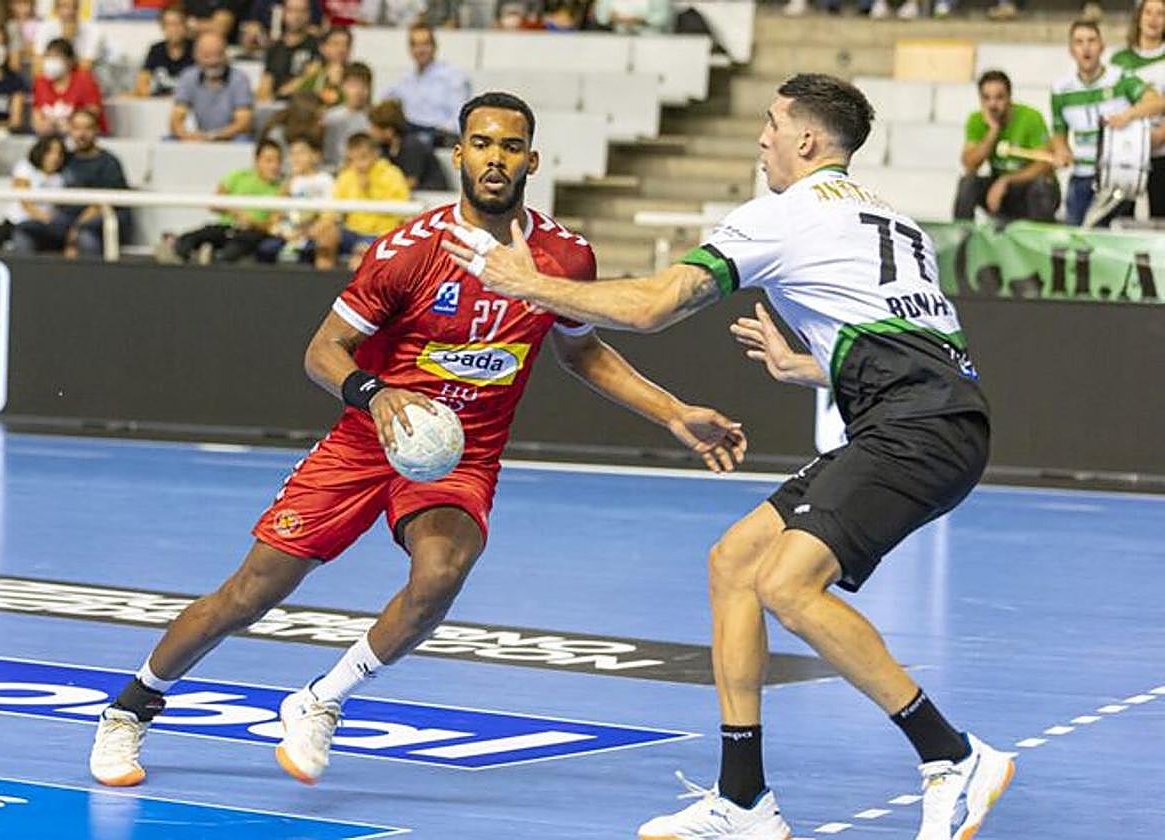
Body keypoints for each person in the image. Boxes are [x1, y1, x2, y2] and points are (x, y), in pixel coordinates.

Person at [86, 90, 748, 790]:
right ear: (460, 154)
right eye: (483, 144)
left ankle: (321, 700)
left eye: (511, 146)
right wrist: (376, 394)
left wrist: (672, 410)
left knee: (437, 579)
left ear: (533, 159)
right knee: (250, 592)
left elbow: (580, 353)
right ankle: (129, 708)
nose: (496, 159)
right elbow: (323, 351)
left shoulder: (563, 257)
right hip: (369, 438)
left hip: (462, 454)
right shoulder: (408, 252)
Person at [444, 74, 1015, 840]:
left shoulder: (784, 216)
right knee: (735, 561)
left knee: (786, 583)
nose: (762, 139)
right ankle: (743, 799)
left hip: (913, 426)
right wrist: (811, 369)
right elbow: (919, 345)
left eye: (773, 124)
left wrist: (529, 282)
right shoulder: (891, 219)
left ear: (807, 141)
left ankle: (950, 755)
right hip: (931, 414)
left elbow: (653, 305)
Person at [1051, 20, 1164, 226]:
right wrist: (1061, 150)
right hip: (1081, 177)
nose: (1086, 48)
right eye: (1079, 42)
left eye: (1091, 41)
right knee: (1075, 242)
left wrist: (1128, 115)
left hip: (1117, 178)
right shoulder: (1061, 89)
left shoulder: (1121, 78)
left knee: (1111, 243)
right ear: (1071, 50)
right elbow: (1059, 131)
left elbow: (1157, 102)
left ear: (1101, 47)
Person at [13, 109, 130, 258]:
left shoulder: (109, 162)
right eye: (76, 128)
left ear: (96, 130)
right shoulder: (65, 159)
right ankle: (26, 278)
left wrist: (76, 229)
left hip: (98, 220)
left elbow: (102, 203)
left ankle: (91, 280)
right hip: (64, 220)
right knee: (24, 230)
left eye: (87, 128)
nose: (81, 134)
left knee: (85, 236)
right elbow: (33, 168)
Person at [953, 69, 1058, 222]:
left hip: (1030, 189)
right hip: (1001, 192)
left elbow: (1045, 164)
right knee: (967, 183)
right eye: (986, 98)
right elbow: (969, 164)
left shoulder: (1030, 117)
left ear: (1010, 98)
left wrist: (1007, 180)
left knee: (1041, 185)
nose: (992, 104)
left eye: (999, 97)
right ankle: (962, 238)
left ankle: (1040, 241)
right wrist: (992, 131)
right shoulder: (977, 120)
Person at [165, 137, 284, 263]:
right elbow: (214, 204)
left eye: (278, 161)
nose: (274, 166)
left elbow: (273, 225)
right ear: (257, 160)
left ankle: (209, 257)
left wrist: (252, 222)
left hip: (251, 234)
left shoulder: (282, 188)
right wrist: (233, 210)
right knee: (191, 238)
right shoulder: (238, 176)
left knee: (231, 253)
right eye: (269, 161)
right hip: (225, 227)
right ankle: (178, 250)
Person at [312, 131, 409, 269]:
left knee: (359, 258)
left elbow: (402, 211)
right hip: (352, 231)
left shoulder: (392, 174)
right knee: (325, 241)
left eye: (363, 157)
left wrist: (369, 191)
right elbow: (333, 209)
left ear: (375, 154)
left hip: (381, 233)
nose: (359, 163)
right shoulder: (346, 176)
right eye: (354, 158)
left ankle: (355, 289)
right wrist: (324, 223)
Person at [1111, 0, 1165, 216]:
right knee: (1121, 215)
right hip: (1126, 153)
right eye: (1148, 13)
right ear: (1138, 17)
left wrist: (1160, 135)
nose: (1153, 19)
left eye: (1160, 14)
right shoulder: (1119, 59)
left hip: (1161, 150)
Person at [0, 133, 65, 251]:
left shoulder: (61, 177)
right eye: (50, 152)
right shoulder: (26, 167)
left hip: (43, 227)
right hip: (15, 222)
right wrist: (43, 217)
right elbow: (24, 198)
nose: (55, 157)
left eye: (59, 153)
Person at [383, 24, 470, 147]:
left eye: (425, 44)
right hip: (409, 132)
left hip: (439, 135)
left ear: (434, 46)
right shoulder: (405, 80)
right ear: (410, 49)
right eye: (415, 45)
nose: (420, 50)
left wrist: (439, 131)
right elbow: (385, 103)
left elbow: (459, 118)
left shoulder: (452, 77)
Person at [258, 133, 333, 262]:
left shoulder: (325, 180)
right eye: (292, 154)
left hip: (311, 233)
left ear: (315, 155)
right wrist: (283, 232)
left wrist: (306, 233)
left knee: (309, 252)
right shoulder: (287, 181)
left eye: (301, 153)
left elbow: (329, 216)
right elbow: (276, 214)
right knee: (265, 249)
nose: (296, 158)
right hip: (287, 233)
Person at [171, 31, 254, 142]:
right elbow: (176, 118)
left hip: (231, 136)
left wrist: (214, 136)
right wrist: (186, 135)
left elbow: (244, 122)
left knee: (243, 140)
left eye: (218, 55)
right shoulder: (188, 77)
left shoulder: (239, 79)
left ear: (225, 54)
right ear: (196, 55)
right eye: (207, 56)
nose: (213, 61)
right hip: (201, 135)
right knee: (168, 140)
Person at [369, 98, 448, 191]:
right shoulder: (384, 147)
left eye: (374, 128)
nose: (370, 131)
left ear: (389, 130)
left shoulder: (412, 145)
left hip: (433, 196)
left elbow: (411, 182)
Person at [31, 37, 105, 136]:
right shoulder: (41, 82)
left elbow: (93, 112)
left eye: (56, 57)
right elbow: (37, 117)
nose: (51, 61)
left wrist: (71, 126)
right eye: (48, 56)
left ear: (70, 61)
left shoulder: (84, 80)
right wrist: (45, 126)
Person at [255, 0, 318, 102]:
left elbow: (309, 76)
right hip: (275, 106)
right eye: (291, 11)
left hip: (304, 105)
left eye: (302, 11)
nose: (296, 16)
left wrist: (278, 96)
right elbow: (266, 81)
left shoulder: (317, 46)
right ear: (283, 13)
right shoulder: (274, 48)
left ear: (309, 14)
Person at [136, 5, 194, 98]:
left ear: (186, 25)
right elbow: (141, 86)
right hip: (160, 104)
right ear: (162, 27)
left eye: (177, 24)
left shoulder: (196, 49)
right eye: (168, 24)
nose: (173, 29)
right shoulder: (156, 50)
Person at [32, 0, 103, 74]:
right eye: (64, 6)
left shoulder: (93, 30)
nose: (69, 12)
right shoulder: (45, 28)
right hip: (55, 79)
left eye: (74, 7)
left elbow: (86, 67)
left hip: (85, 79)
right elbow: (37, 66)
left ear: (78, 8)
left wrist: (68, 40)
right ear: (56, 9)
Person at [321, 61, 371, 168]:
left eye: (364, 86)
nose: (359, 91)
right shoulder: (331, 118)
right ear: (342, 86)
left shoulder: (374, 118)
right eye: (353, 85)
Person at [289, 25, 350, 107]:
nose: (342, 49)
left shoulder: (355, 73)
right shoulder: (315, 73)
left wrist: (336, 85)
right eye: (336, 44)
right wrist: (306, 76)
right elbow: (292, 97)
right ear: (322, 48)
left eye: (347, 44)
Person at [593, 0, 672, 33]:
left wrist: (639, 20)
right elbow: (600, 16)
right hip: (615, 40)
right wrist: (613, 17)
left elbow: (663, 17)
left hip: (651, 41)